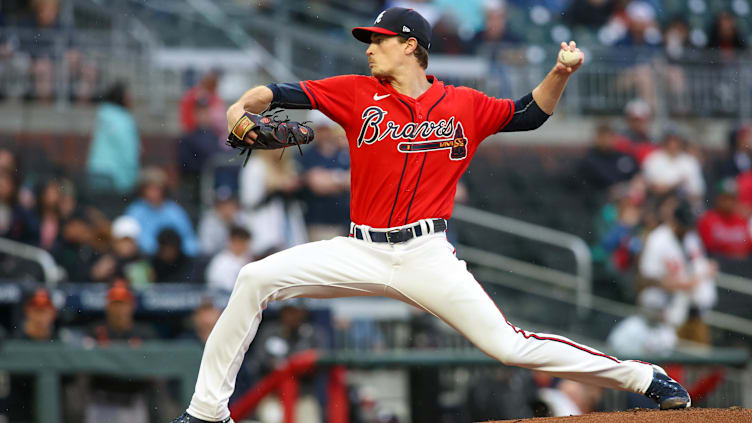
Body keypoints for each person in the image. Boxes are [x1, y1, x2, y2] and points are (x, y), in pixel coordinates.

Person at [172, 8, 689, 423]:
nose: (369, 47)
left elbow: (529, 114)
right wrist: (242, 104)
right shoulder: (357, 92)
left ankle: (643, 378)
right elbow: (282, 92)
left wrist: (559, 72)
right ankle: (207, 413)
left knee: (509, 346)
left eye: (378, 39)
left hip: (426, 255)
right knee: (254, 277)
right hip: (359, 249)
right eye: (367, 40)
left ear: (410, 45)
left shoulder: (462, 103)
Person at [125, 167, 199, 257]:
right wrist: (160, 252)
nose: (154, 193)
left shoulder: (174, 211)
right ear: (142, 190)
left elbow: (188, 239)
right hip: (146, 259)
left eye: (157, 188)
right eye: (150, 188)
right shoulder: (135, 211)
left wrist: (177, 252)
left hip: (174, 260)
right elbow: (133, 241)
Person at [299, 111, 351, 241]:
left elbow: (354, 180)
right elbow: (316, 184)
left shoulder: (344, 152)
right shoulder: (307, 155)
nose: (324, 133)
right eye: (320, 129)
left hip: (347, 221)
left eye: (326, 129)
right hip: (320, 223)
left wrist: (331, 179)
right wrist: (341, 179)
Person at [86, 82, 141, 194]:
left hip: (96, 169)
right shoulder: (124, 120)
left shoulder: (104, 116)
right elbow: (127, 150)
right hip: (114, 174)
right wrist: (131, 179)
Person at [205, 226, 253, 293]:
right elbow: (223, 288)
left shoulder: (247, 259)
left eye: (246, 243)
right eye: (240, 242)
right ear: (232, 241)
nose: (244, 246)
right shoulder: (220, 262)